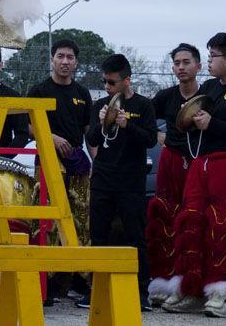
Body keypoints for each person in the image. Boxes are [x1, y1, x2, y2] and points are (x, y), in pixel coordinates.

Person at [162, 32, 226, 317]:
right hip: (201, 162)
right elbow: (195, 123)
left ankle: (225, 294)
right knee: (191, 221)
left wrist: (212, 124)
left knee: (224, 225)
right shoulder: (209, 87)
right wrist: (190, 118)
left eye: (213, 56)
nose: (209, 61)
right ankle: (192, 290)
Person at [82, 53, 156, 313]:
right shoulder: (99, 103)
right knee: (99, 234)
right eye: (104, 82)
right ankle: (97, 289)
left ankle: (141, 291)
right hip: (103, 176)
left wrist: (127, 125)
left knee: (135, 235)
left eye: (112, 83)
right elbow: (91, 137)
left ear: (126, 80)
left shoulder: (144, 105)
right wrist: (102, 121)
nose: (107, 87)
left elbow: (150, 140)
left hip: (131, 179)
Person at [28, 37, 92, 304]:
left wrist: (93, 163)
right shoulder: (38, 91)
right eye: (60, 56)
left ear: (76, 62)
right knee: (45, 223)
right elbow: (29, 126)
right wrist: (51, 138)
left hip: (77, 165)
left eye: (70, 57)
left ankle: (78, 282)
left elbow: (88, 132)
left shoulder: (82, 93)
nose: (65, 62)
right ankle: (42, 283)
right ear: (52, 59)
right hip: (47, 163)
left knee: (79, 222)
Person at [145, 42, 201, 307]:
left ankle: (190, 285)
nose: (181, 67)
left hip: (201, 162)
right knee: (165, 219)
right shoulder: (166, 96)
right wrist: (157, 133)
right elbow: (144, 118)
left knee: (193, 222)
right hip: (171, 160)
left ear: (198, 66)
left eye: (186, 62)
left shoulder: (210, 95)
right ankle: (163, 282)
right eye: (177, 63)